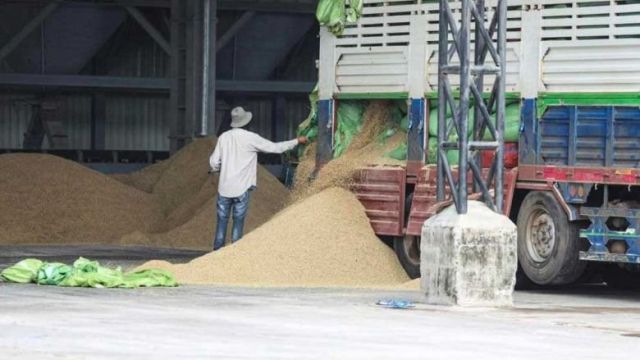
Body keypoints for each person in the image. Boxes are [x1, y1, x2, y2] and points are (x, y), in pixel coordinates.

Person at [209, 106, 307, 251]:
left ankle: (217, 252)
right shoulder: (251, 138)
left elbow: (213, 161)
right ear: (246, 122)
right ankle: (234, 253)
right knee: (238, 222)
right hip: (241, 188)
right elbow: (275, 148)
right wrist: (296, 141)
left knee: (222, 221)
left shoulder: (223, 137)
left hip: (224, 188)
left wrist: (218, 169)